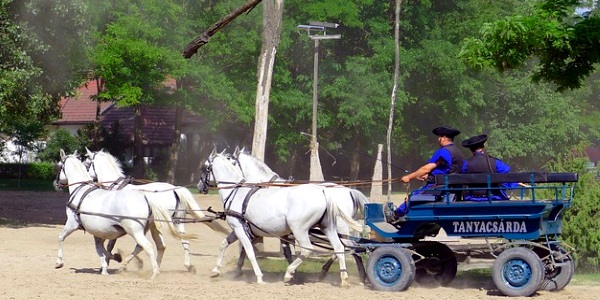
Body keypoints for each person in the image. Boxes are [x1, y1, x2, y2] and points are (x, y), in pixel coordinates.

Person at [386, 125, 464, 222]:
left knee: (413, 196)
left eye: (439, 137)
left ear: (444, 138)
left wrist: (409, 177)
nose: (438, 140)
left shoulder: (443, 152)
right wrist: (428, 176)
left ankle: (394, 215)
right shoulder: (458, 152)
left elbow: (426, 168)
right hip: (450, 187)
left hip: (439, 187)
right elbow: (448, 169)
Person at [460, 134, 523, 201]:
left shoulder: (466, 164)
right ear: (483, 147)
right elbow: (507, 174)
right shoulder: (494, 162)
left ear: (471, 150)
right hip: (493, 197)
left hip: (473, 198)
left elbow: (461, 177)